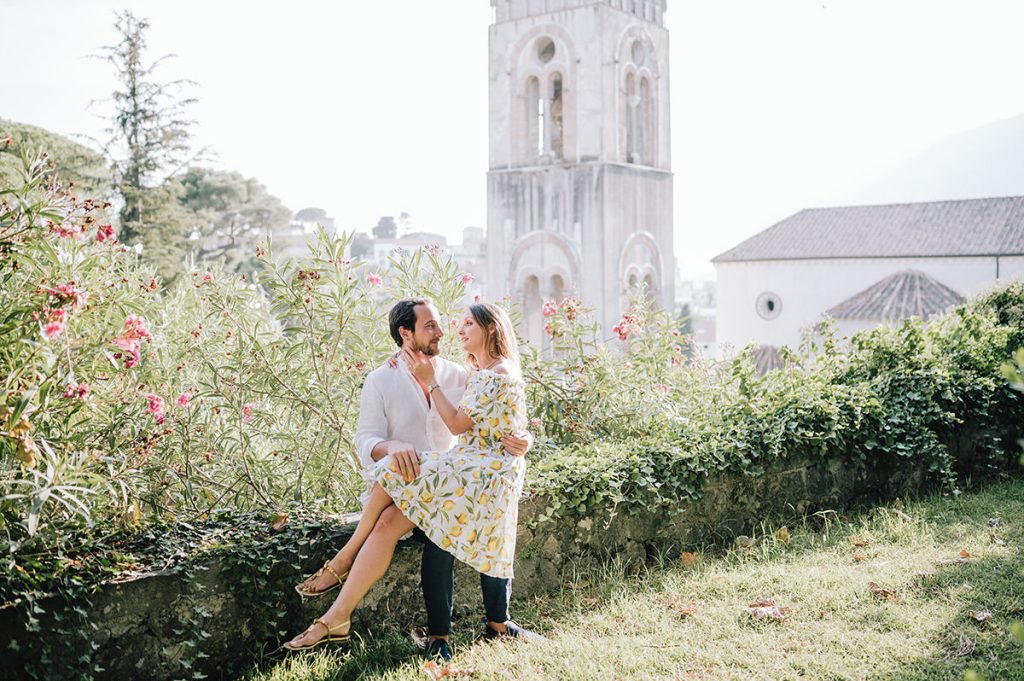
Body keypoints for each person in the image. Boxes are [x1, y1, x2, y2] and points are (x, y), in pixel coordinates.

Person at [285, 300, 538, 655]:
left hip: (449, 482)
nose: (444, 332)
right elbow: (365, 440)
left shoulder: (458, 373)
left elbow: (506, 408)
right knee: (388, 517)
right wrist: (391, 446)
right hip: (416, 482)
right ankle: (338, 617)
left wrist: (526, 440)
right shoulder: (381, 379)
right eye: (431, 326)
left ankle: (352, 586)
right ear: (406, 333)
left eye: (443, 324)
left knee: (433, 530)